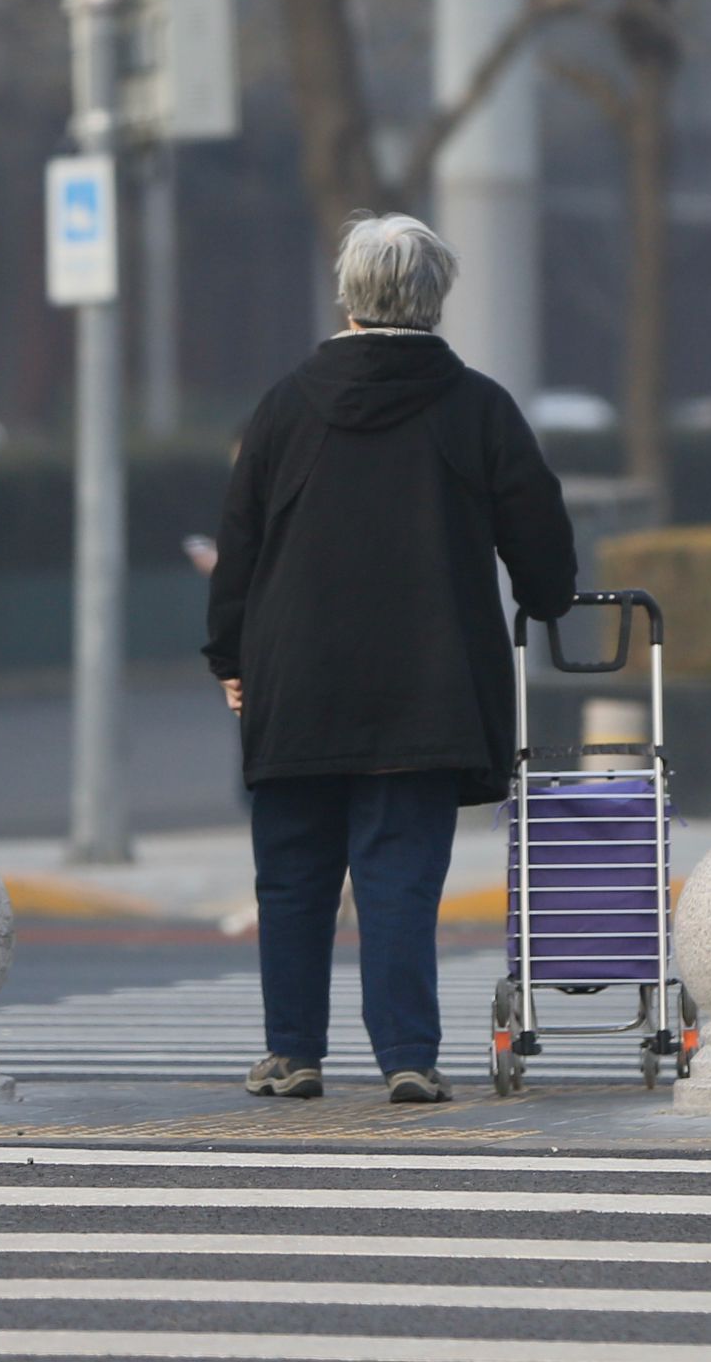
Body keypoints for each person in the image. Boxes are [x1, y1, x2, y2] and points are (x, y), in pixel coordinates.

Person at [204, 213, 575, 1104]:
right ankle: (408, 1055)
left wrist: (229, 657)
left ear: (349, 296)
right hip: (427, 689)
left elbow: (240, 544)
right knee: (399, 878)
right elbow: (542, 545)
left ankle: (293, 1054)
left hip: (295, 683)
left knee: (292, 876)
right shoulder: (478, 408)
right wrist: (545, 596)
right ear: (436, 298)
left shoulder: (287, 406)